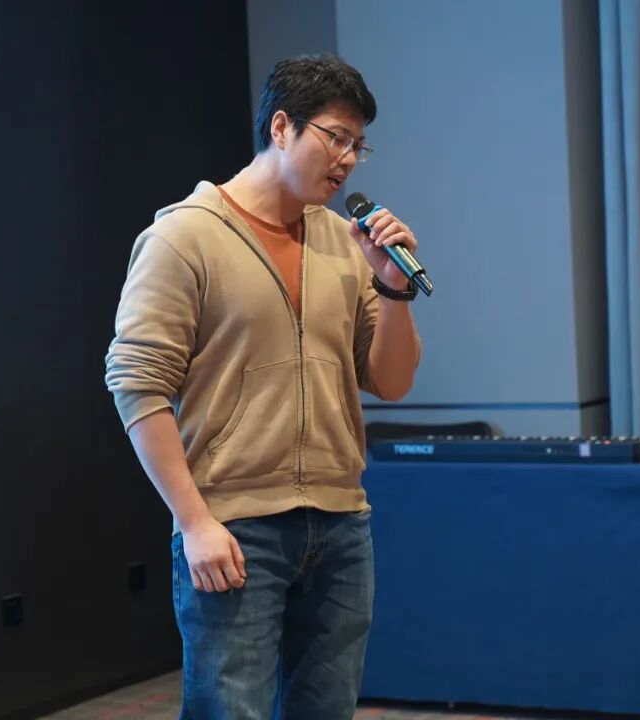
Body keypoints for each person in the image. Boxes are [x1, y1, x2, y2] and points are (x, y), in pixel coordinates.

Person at [105, 53, 422, 720]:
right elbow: (137, 385)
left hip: (340, 523)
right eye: (336, 137)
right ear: (281, 126)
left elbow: (391, 382)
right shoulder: (184, 236)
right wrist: (195, 521)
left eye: (358, 146)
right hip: (234, 527)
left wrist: (393, 288)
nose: (348, 160)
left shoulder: (347, 242)